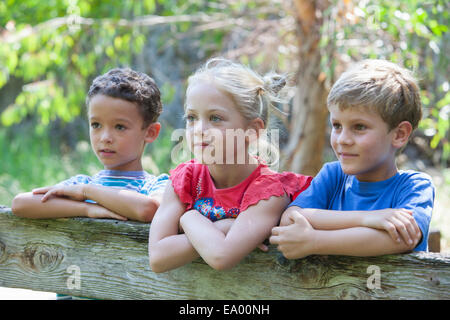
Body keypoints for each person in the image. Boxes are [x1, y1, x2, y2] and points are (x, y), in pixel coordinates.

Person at [148, 58, 312, 272]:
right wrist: (218, 226)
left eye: (215, 118)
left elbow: (221, 256)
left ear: (252, 131)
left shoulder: (268, 191)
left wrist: (188, 218)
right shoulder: (187, 179)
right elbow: (158, 257)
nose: (199, 129)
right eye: (191, 117)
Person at [270, 59, 435, 259]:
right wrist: (369, 218)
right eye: (337, 125)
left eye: (359, 127)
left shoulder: (414, 187)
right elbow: (290, 218)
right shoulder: (333, 176)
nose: (343, 139)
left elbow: (400, 239)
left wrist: (314, 241)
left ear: (399, 134)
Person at [12, 68, 168, 222]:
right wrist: (86, 209)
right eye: (96, 125)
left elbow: (149, 209)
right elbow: (20, 203)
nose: (105, 138)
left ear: (150, 132)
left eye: (120, 127)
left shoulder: (155, 185)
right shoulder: (81, 183)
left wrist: (86, 192)